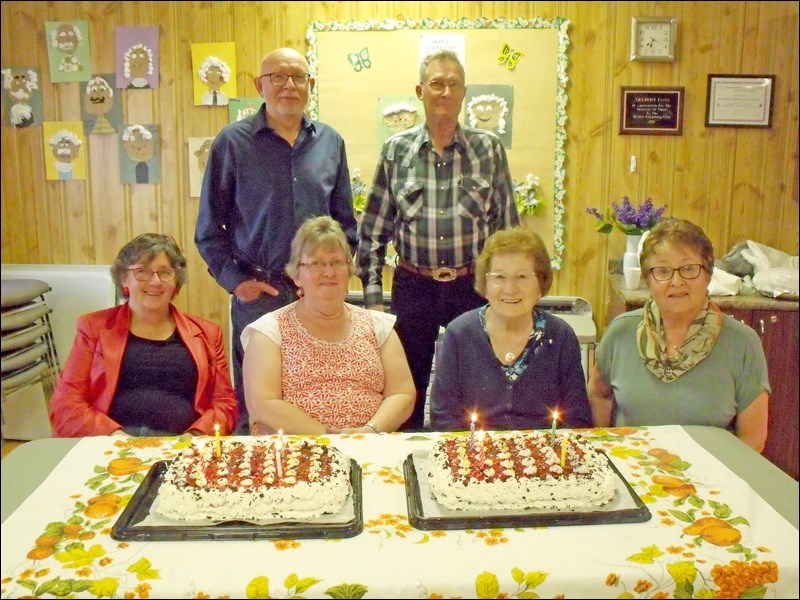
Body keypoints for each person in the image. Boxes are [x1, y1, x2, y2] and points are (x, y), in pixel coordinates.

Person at [195, 47, 358, 434]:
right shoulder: (232, 143)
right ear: (259, 85)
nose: (288, 85)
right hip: (260, 294)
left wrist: (333, 279)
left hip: (317, 295)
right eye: (278, 77)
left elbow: (346, 224)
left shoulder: (330, 142)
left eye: (298, 77)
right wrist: (237, 283)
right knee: (257, 411)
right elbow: (208, 229)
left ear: (310, 85)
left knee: (318, 395)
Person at [356, 49, 519, 431]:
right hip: (413, 286)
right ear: (420, 91)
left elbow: (508, 232)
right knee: (406, 388)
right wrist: (374, 301)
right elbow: (374, 229)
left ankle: (473, 465)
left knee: (478, 385)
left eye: (453, 84)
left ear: (464, 93)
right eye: (436, 83)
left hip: (472, 286)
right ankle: (404, 468)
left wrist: (507, 293)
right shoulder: (396, 151)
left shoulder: (489, 150)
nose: (445, 91)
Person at [588, 219, 770, 452]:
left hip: (710, 480)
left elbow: (752, 439)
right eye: (662, 271)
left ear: (708, 275)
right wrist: (606, 452)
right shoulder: (621, 332)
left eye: (689, 269)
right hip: (632, 471)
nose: (676, 281)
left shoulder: (742, 343)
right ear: (648, 279)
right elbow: (599, 395)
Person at [49, 233, 238, 437]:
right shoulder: (93, 328)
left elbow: (225, 404)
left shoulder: (207, 334)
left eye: (165, 272)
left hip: (181, 443)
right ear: (124, 278)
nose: (155, 281)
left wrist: (194, 437)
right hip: (109, 443)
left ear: (176, 281)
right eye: (142, 272)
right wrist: (115, 438)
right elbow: (66, 404)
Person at [241, 216, 415, 435]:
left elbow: (403, 394)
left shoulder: (379, 326)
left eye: (337, 262)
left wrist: (369, 431)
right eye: (316, 263)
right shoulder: (268, 332)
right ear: (296, 275)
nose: (329, 272)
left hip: (371, 449)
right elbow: (262, 404)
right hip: (295, 454)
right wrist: (327, 435)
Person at [430, 227, 592, 431]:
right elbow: (443, 416)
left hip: (544, 456)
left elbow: (577, 418)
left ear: (541, 282)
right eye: (499, 277)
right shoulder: (459, 334)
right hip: (472, 456)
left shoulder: (561, 336)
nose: (510, 289)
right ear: (485, 283)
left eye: (522, 277)